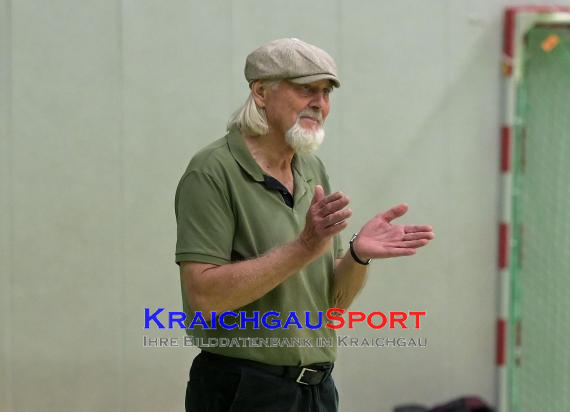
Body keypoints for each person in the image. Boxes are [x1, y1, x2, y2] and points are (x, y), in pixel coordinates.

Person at [175, 37, 435, 412]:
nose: (320, 103)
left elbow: (331, 304)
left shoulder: (311, 169)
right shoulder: (212, 171)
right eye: (305, 89)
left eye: (326, 92)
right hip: (244, 389)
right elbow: (203, 300)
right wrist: (303, 248)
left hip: (316, 390)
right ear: (261, 92)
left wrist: (358, 255)